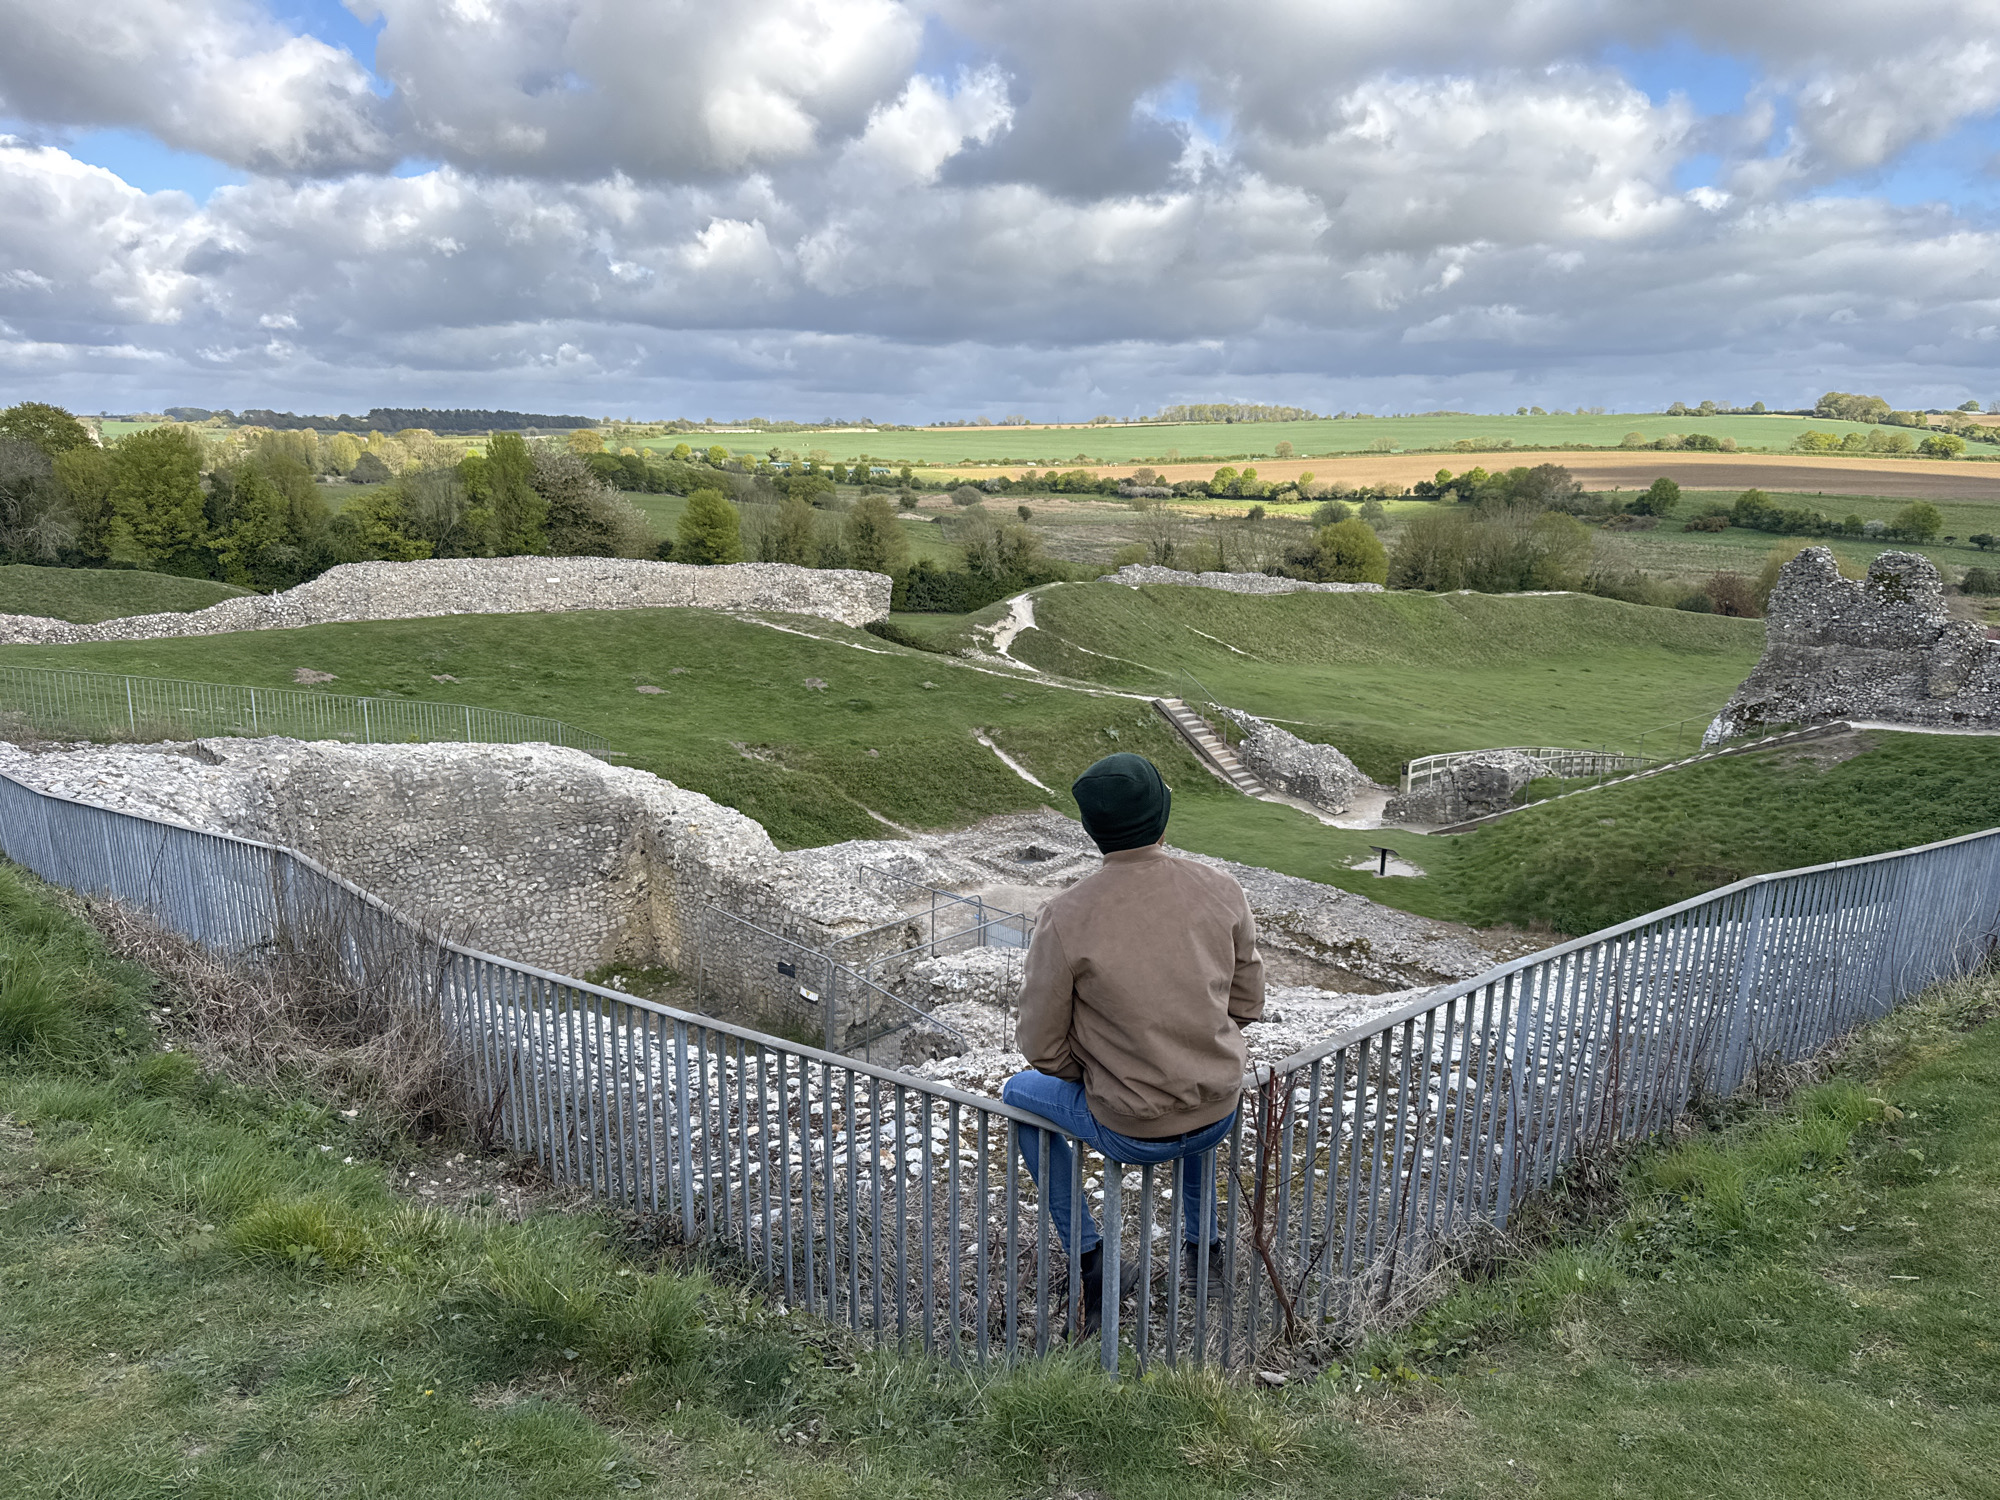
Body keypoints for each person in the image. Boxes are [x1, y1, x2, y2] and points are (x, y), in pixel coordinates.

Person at [1002, 752, 1264, 1333]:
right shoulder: (1222, 889)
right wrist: (1183, 1048)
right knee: (1190, 1083)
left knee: (1017, 1095)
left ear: (1093, 829)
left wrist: (1104, 1071)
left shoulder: (1066, 915)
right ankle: (1203, 1249)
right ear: (1162, 818)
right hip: (1219, 1111)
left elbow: (1040, 1046)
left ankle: (1091, 1257)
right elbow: (1247, 1006)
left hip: (1129, 1129)